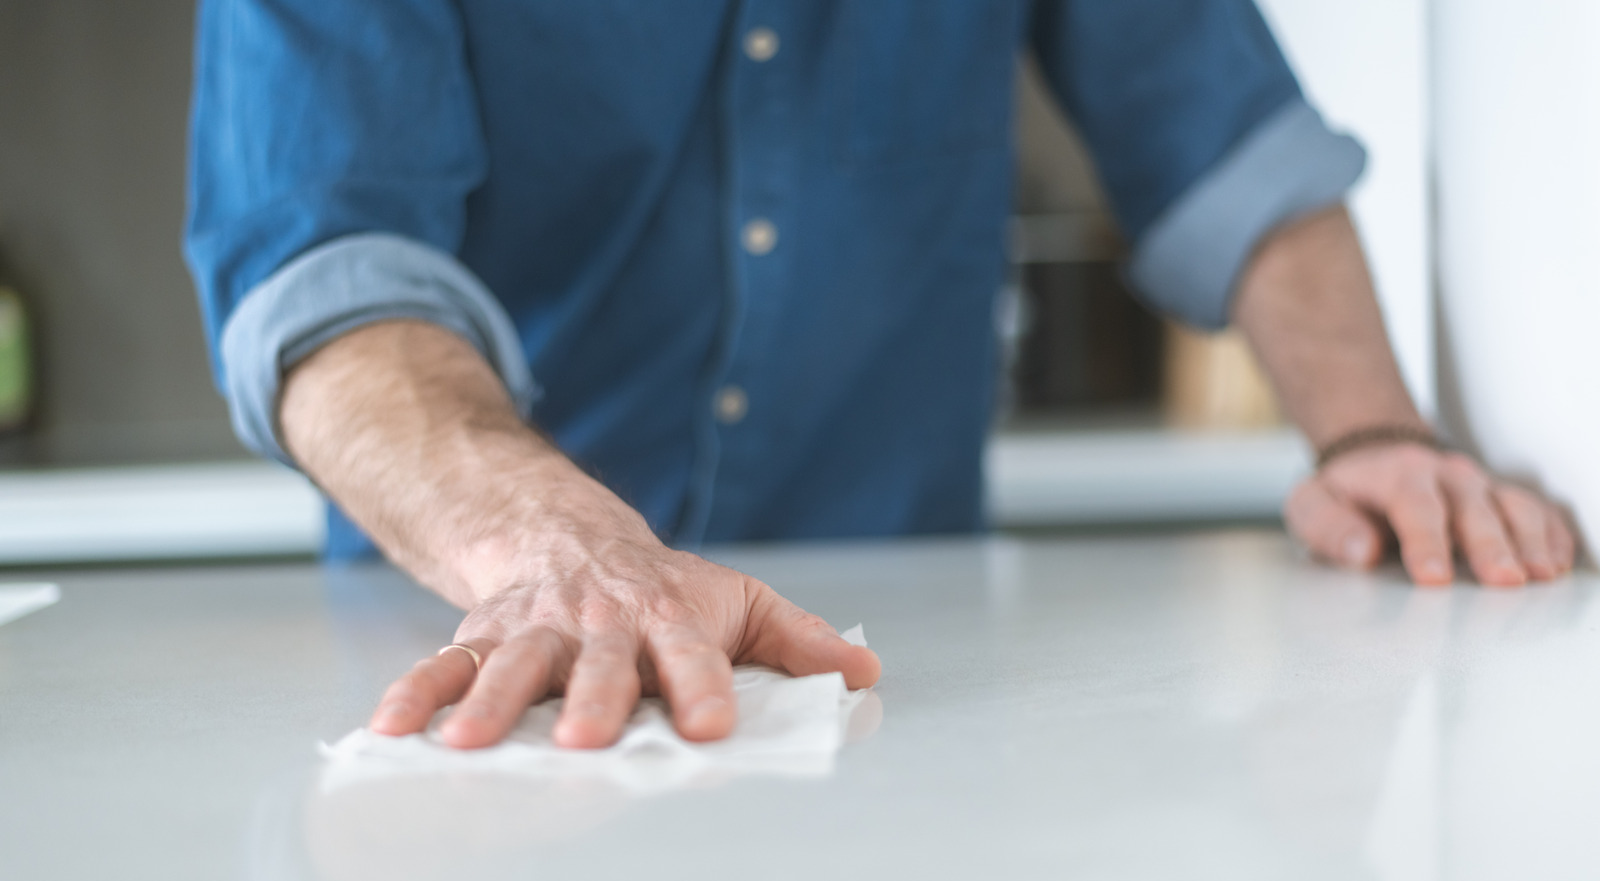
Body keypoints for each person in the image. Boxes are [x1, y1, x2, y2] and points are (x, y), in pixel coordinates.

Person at [185, 1, 1575, 751]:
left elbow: (1231, 145)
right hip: (485, 645)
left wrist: (1372, 431)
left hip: (898, 680)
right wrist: (562, 546)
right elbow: (324, 275)